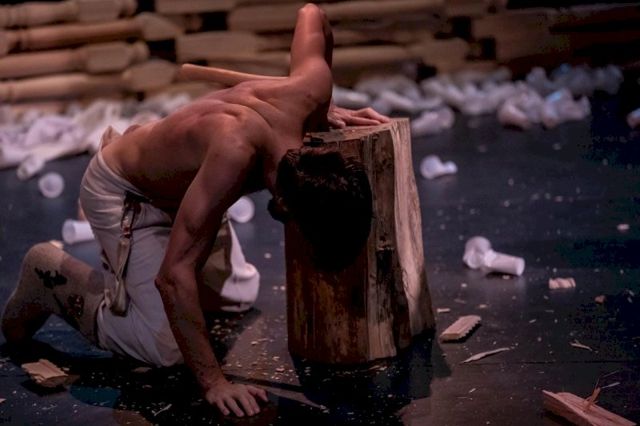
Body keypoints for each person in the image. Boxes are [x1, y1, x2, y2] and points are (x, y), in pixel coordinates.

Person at [2, 3, 389, 418]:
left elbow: (313, 13)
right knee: (165, 348)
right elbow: (172, 277)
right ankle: (49, 275)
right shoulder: (234, 154)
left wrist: (324, 110)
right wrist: (213, 382)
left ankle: (155, 256)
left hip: (187, 184)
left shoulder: (312, 91)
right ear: (282, 204)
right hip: (127, 192)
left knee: (238, 295)